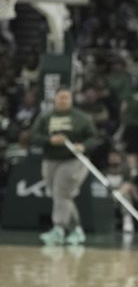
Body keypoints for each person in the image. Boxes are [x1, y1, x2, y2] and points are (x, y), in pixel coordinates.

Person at [31, 87, 99, 245]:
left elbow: (93, 138)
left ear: (71, 100)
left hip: (73, 160)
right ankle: (76, 230)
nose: (63, 100)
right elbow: (34, 136)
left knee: (61, 192)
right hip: (50, 159)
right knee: (60, 196)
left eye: (66, 98)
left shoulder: (81, 118)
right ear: (55, 99)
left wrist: (82, 146)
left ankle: (59, 228)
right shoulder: (45, 117)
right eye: (60, 97)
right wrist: (49, 141)